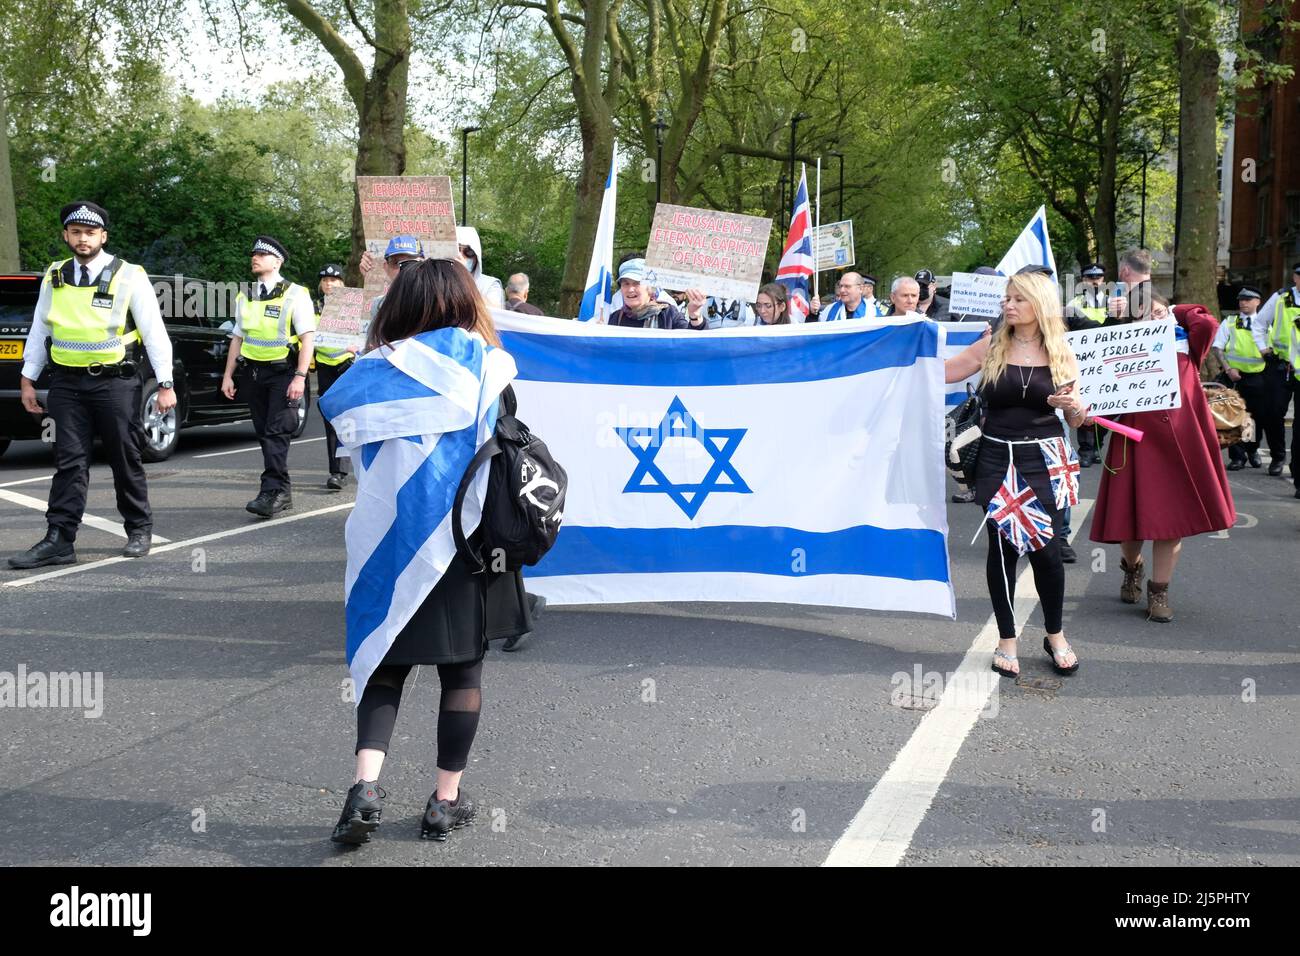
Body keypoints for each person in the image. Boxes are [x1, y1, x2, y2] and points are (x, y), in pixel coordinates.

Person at [321, 257, 531, 845]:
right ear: (468, 302)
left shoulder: (368, 371)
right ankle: (445, 800)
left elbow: (343, 442)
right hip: (466, 541)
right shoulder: (491, 368)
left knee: (384, 664)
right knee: (462, 671)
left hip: (386, 537)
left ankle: (364, 787)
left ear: (401, 305)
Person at [9, 201, 176, 568]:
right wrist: (27, 379)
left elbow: (154, 332)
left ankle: (138, 528)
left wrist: (166, 384)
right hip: (66, 384)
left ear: (103, 236)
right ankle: (59, 539)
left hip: (114, 383)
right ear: (65, 236)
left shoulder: (129, 274)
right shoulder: (54, 275)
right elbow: (41, 329)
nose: (82, 239)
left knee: (124, 456)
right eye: (75, 232)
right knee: (69, 462)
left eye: (90, 233)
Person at [943, 271, 1086, 678]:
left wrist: (1071, 405)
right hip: (995, 457)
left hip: (1045, 458)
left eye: (1018, 299)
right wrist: (899, 352)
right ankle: (1007, 640)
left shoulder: (1061, 350)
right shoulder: (991, 345)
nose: (1009, 305)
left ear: (1038, 304)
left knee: (1048, 550)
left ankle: (1055, 634)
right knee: (1002, 548)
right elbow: (943, 372)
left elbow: (1078, 419)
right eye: (1007, 298)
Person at [1090, 293, 1235, 621]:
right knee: (1131, 523)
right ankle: (1132, 567)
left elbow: (1208, 322)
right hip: (1134, 442)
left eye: (1158, 313)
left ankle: (1159, 593)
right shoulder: (1122, 348)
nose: (1154, 320)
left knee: (1172, 523)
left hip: (1181, 445)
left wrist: (1173, 309)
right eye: (1145, 316)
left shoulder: (1187, 344)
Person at [219, 236, 316, 517]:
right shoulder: (245, 295)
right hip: (253, 373)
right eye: (254, 254)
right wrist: (228, 376)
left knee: (276, 432)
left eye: (262, 254)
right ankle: (282, 491)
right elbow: (237, 338)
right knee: (264, 433)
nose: (255, 258)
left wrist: (300, 377)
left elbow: (307, 339)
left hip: (283, 373)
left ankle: (270, 492)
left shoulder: (295, 294)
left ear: (277, 262)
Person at [1213, 287, 1282, 473]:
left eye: (1248, 299)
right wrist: (1228, 369)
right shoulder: (1230, 321)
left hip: (1261, 376)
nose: (1243, 302)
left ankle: (1252, 450)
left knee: (1256, 417)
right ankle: (1238, 457)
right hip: (1235, 376)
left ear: (1258, 302)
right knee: (1235, 416)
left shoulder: (1269, 324)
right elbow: (1218, 347)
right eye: (1241, 299)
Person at [313, 263, 358, 491]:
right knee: (330, 420)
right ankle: (336, 472)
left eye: (334, 280)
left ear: (342, 283)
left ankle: (346, 469)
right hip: (324, 367)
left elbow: (364, 333)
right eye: (325, 280)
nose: (329, 284)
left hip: (346, 365)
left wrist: (356, 349)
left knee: (349, 418)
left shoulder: (353, 307)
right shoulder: (314, 307)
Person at [1261, 264, 1300, 495]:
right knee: (1273, 412)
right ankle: (1277, 456)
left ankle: (1298, 474)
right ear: (1294, 277)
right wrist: (1262, 347)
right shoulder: (1280, 297)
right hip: (1281, 366)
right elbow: (1259, 323)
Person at [608, 258, 707, 329]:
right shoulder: (615, 318)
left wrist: (695, 315)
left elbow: (693, 344)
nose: (630, 289)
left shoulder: (668, 314)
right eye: (626, 283)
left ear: (650, 287)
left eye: (637, 283)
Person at [359, 235, 425, 319]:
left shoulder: (436, 299)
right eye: (395, 262)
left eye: (410, 262)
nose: (403, 268)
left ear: (424, 264)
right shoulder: (379, 305)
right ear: (386, 267)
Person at [456, 226, 504, 308]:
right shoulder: (439, 281)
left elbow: (494, 312)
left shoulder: (490, 284)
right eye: (457, 250)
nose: (461, 256)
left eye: (468, 251)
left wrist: (464, 278)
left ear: (476, 255)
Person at [809, 271, 879, 321]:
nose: (842, 290)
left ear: (860, 289)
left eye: (847, 286)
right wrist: (813, 315)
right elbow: (815, 335)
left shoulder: (873, 312)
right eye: (841, 286)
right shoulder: (829, 310)